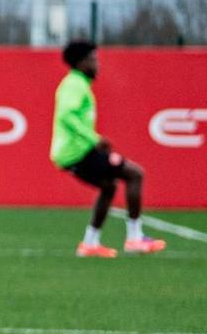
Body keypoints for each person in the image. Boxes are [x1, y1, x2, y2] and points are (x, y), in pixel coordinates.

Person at [53, 40, 163, 257]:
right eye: (93, 59)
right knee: (135, 174)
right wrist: (93, 139)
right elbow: (66, 115)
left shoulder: (78, 83)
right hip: (79, 152)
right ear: (81, 62)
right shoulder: (75, 84)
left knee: (108, 186)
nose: (97, 64)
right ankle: (134, 239)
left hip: (76, 152)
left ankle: (90, 243)